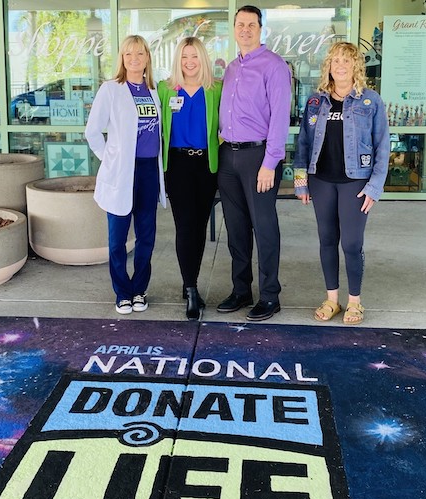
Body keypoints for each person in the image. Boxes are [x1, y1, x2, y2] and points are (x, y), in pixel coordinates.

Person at [293, 41, 389, 325]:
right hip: (321, 181)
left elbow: (382, 145)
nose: (341, 66)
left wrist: (374, 186)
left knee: (351, 243)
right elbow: (303, 145)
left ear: (356, 66)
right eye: (335, 61)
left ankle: (355, 302)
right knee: (327, 240)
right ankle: (332, 299)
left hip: (355, 183)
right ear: (329, 67)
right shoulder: (315, 101)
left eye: (346, 61)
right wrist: (301, 182)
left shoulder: (370, 101)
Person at [216, 5, 292, 322]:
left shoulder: (274, 66)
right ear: (234, 29)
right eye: (240, 24)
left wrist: (270, 162)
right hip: (228, 156)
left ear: (260, 29)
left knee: (264, 227)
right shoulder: (231, 67)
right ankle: (241, 290)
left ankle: (270, 295)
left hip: (258, 157)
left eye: (251, 24)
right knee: (235, 229)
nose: (245, 29)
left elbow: (279, 118)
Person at [85, 35, 166, 315]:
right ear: (122, 58)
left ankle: (139, 290)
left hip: (147, 172)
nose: (134, 59)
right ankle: (122, 293)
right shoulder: (110, 89)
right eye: (129, 54)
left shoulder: (154, 90)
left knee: (147, 236)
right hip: (121, 172)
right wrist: (111, 159)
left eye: (140, 54)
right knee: (117, 238)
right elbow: (92, 132)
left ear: (147, 58)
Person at [158, 37, 222, 320]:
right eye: (184, 56)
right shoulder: (164, 89)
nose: (189, 62)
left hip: (207, 166)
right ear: (178, 59)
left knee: (199, 226)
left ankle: (189, 281)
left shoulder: (216, 89)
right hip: (178, 165)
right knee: (185, 225)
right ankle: (192, 289)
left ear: (203, 59)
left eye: (195, 56)